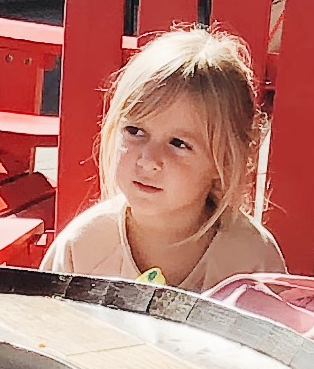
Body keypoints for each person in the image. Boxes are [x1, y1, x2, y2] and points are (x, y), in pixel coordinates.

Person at [47, 25, 286, 289]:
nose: (148, 160)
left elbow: (280, 327)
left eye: (178, 143)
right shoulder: (84, 247)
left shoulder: (251, 259)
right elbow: (40, 325)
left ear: (224, 161)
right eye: (135, 131)